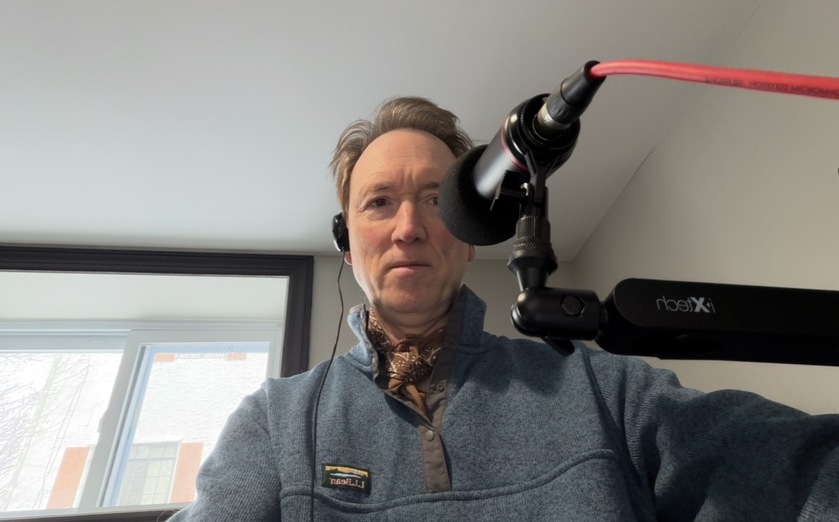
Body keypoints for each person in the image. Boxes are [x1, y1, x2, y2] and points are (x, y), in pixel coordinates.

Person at [169, 96, 839, 521]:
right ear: (348, 245)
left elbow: (798, 473)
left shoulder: (602, 389)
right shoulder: (275, 422)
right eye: (379, 203)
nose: (408, 228)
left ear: (472, 236)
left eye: (435, 200)